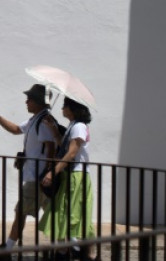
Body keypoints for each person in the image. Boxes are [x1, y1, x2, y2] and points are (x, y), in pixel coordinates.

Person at [0, 83, 60, 252]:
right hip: (37, 176)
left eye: (30, 99)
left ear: (39, 101)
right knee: (52, 213)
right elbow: (17, 129)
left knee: (21, 211)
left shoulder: (45, 122)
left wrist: (48, 172)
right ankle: (68, 247)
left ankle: (8, 248)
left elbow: (51, 148)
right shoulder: (36, 119)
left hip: (38, 177)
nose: (26, 102)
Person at [40, 97, 96, 261]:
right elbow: (65, 147)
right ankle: (67, 251)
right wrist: (55, 131)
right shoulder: (73, 126)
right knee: (63, 213)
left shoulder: (78, 127)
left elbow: (71, 153)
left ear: (72, 109)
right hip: (70, 175)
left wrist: (53, 172)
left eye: (65, 106)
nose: (62, 109)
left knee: (72, 214)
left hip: (76, 175)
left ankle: (80, 251)